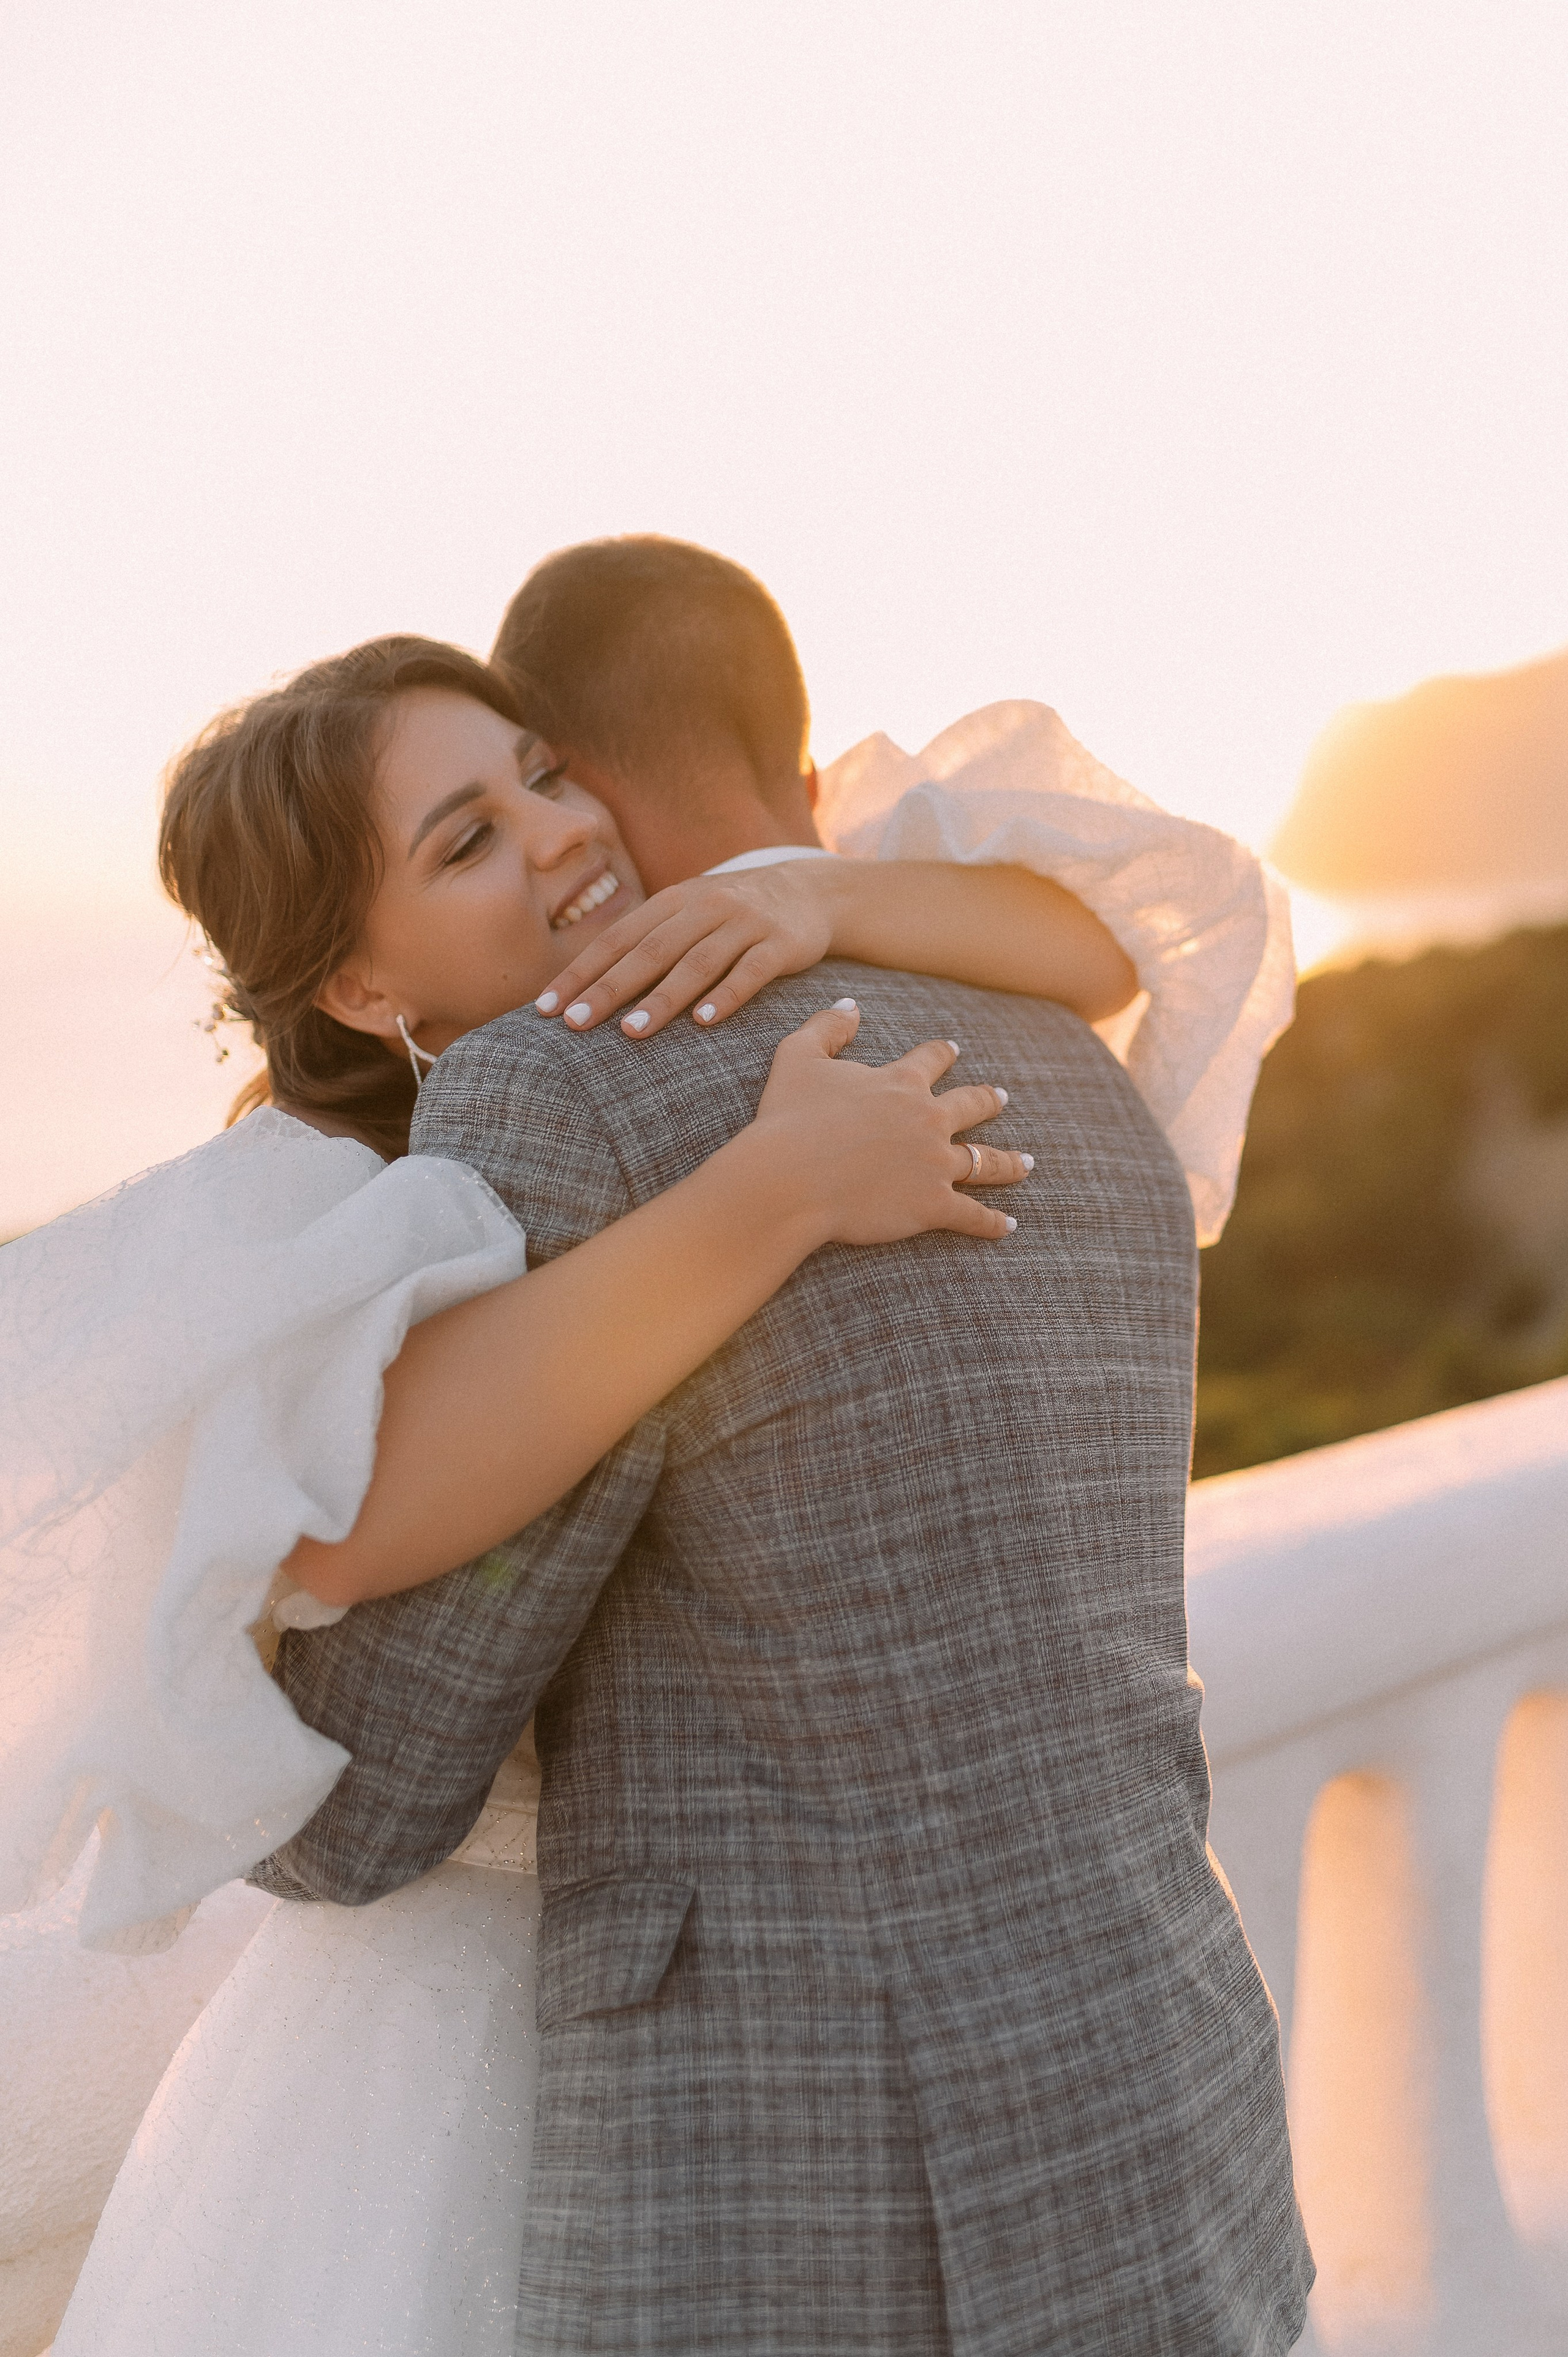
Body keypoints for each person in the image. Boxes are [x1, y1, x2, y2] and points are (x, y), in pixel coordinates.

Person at [5, 620, 1160, 2356]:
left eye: (542, 775)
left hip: (725, 2044)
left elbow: (1111, 929)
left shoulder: (640, 1050)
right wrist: (770, 1191)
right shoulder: (369, 1215)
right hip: (580, 2022)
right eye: (467, 838)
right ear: (361, 989)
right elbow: (353, 1526)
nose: (559, 832)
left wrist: (812, 899)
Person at [240, 540, 1312, 2355]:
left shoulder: (568, 1078)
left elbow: (357, 1800)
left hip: (813, 2210)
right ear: (809, 781)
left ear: (580, 756)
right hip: (1171, 2102)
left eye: (544, 785)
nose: (553, 841)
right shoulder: (1086, 1051)